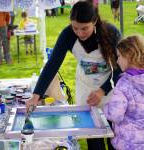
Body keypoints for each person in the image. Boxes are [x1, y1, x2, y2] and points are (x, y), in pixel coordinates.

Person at [26, 1, 121, 149]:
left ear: (94, 21)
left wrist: (103, 90)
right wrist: (36, 95)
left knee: (114, 139)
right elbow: (52, 65)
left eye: (85, 28)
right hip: (86, 91)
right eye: (75, 28)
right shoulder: (68, 34)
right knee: (94, 138)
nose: (80, 33)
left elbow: (120, 70)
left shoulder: (111, 32)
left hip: (111, 90)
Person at [103, 35, 144, 150]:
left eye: (119, 56)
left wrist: (106, 108)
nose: (117, 60)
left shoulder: (124, 83)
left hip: (127, 144)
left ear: (129, 56)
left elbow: (115, 115)